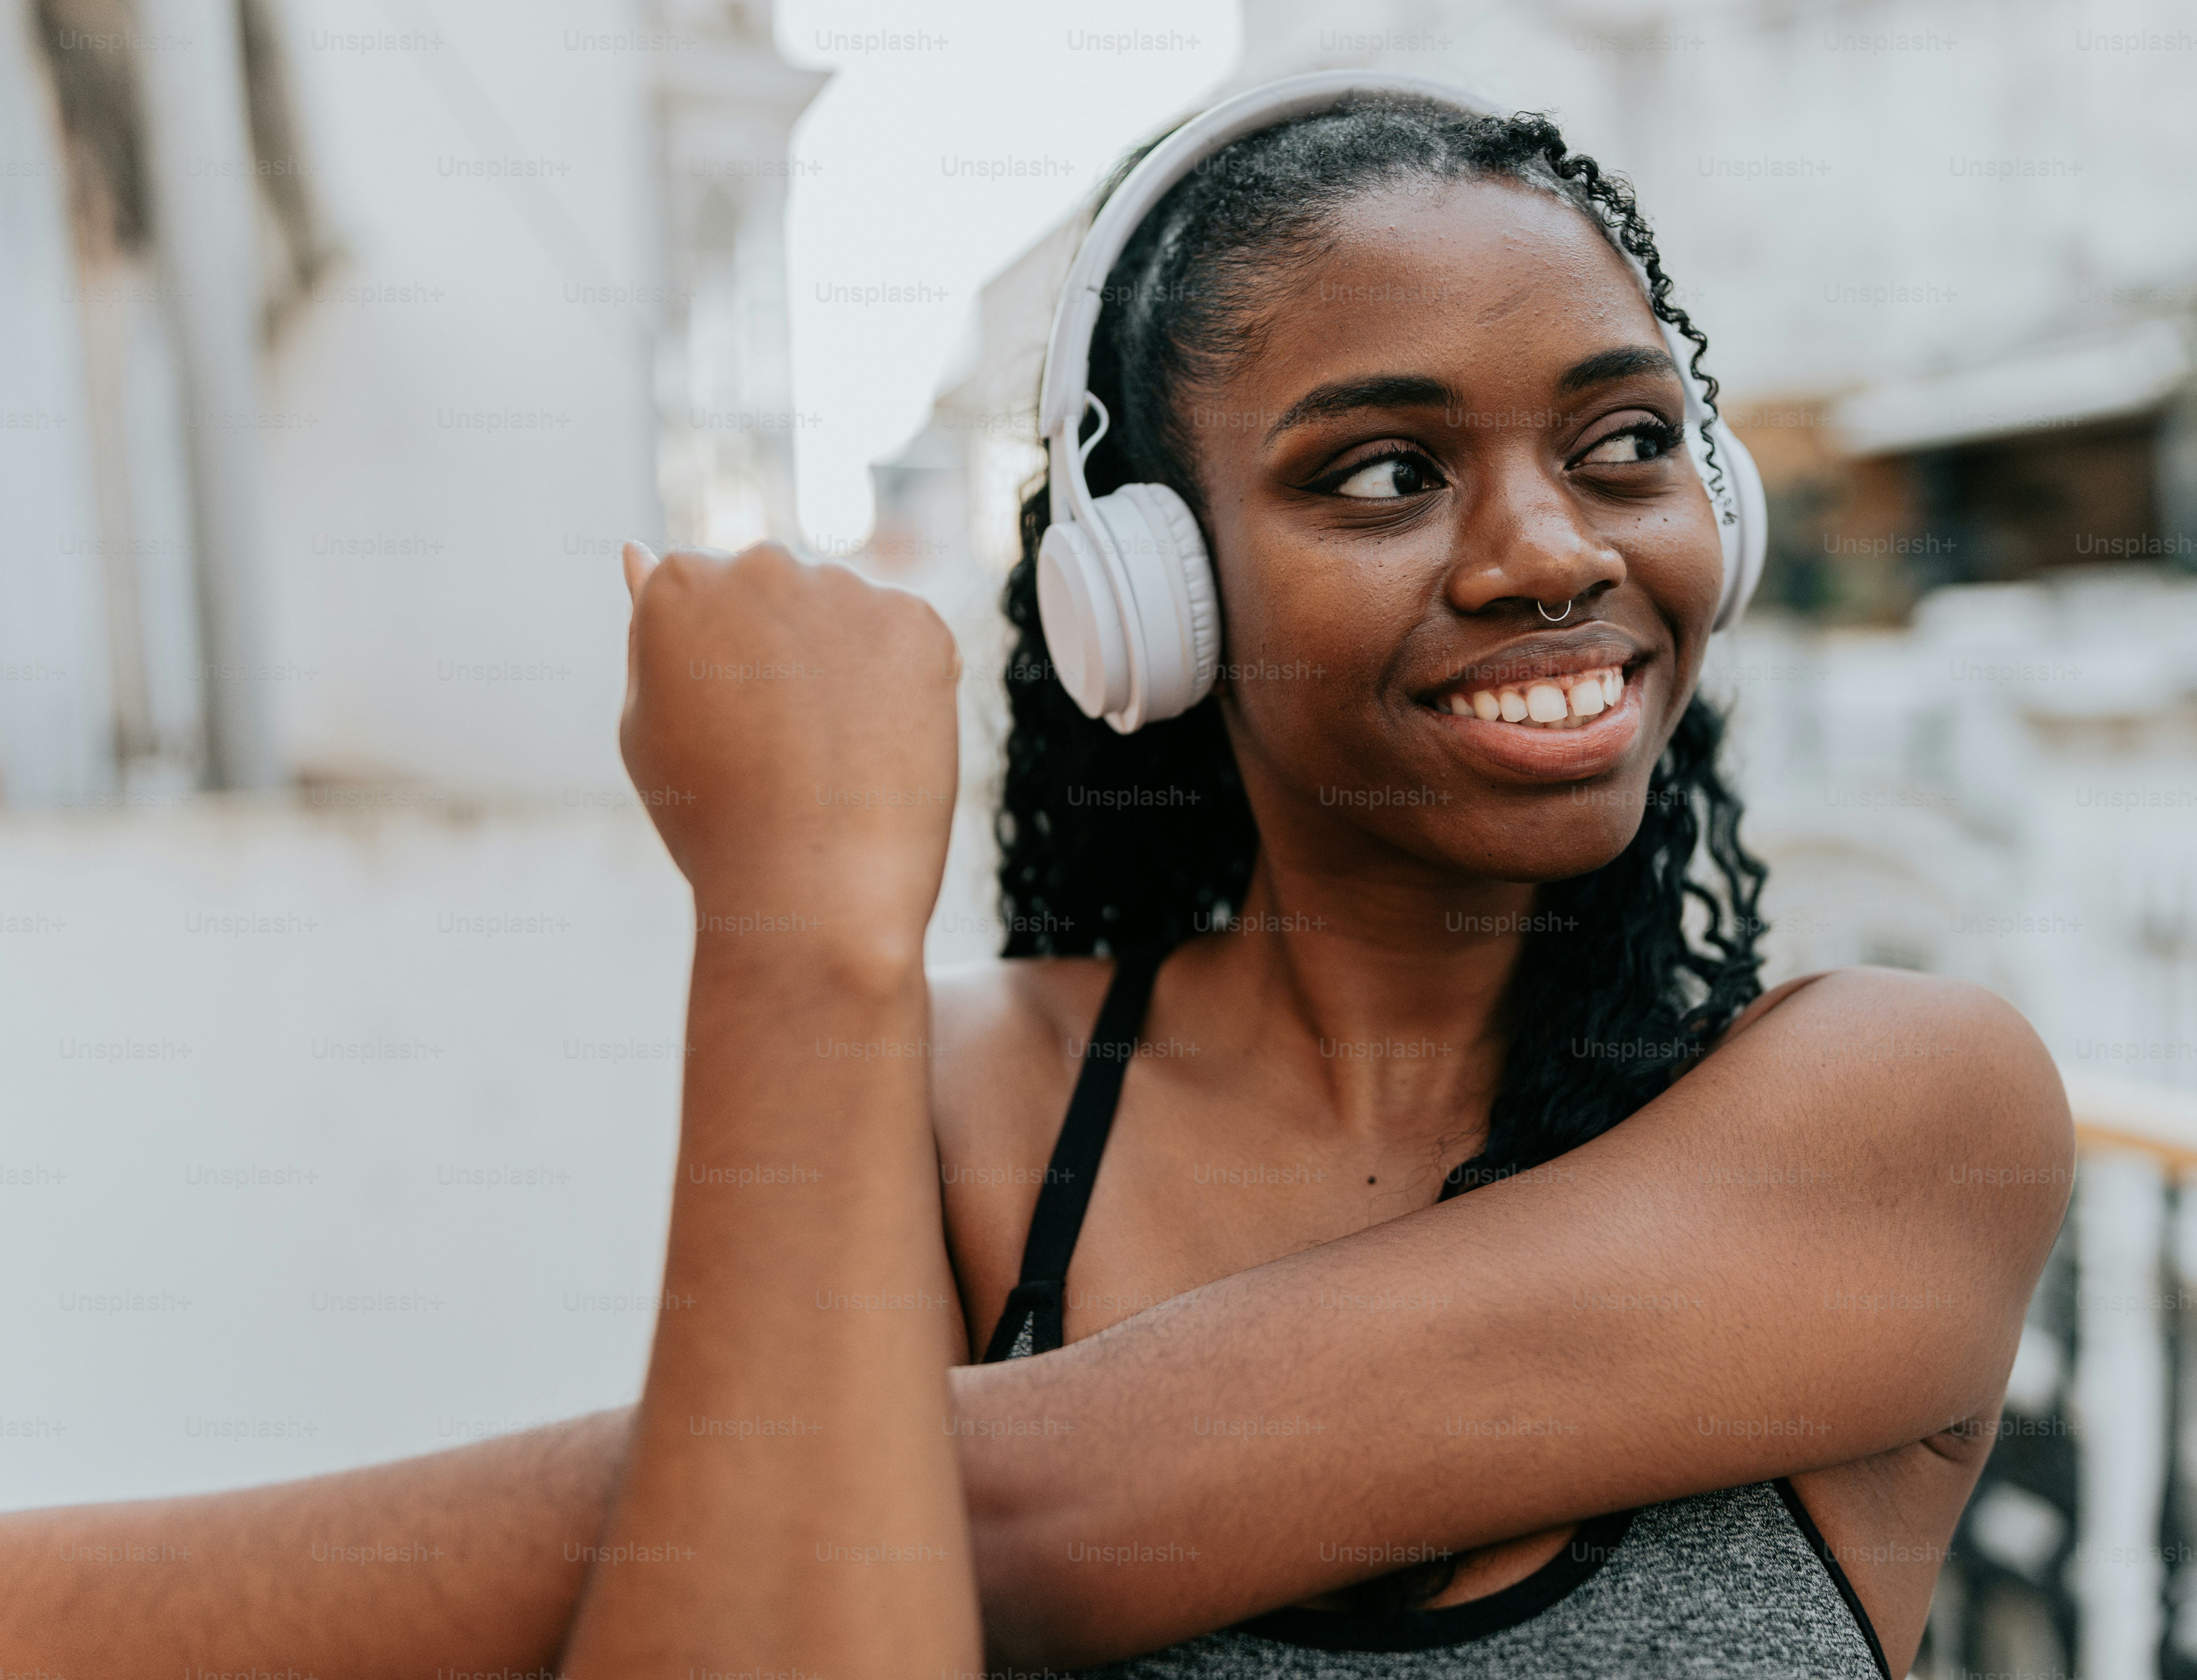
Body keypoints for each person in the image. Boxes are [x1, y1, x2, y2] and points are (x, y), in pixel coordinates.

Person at [0, 81, 2070, 1678]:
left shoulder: (1905, 1116)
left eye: (1625, 442)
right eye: (1383, 471)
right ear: (1140, 598)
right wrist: (802, 939)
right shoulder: (957, 1104)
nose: (1547, 549)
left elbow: (980, 1523)